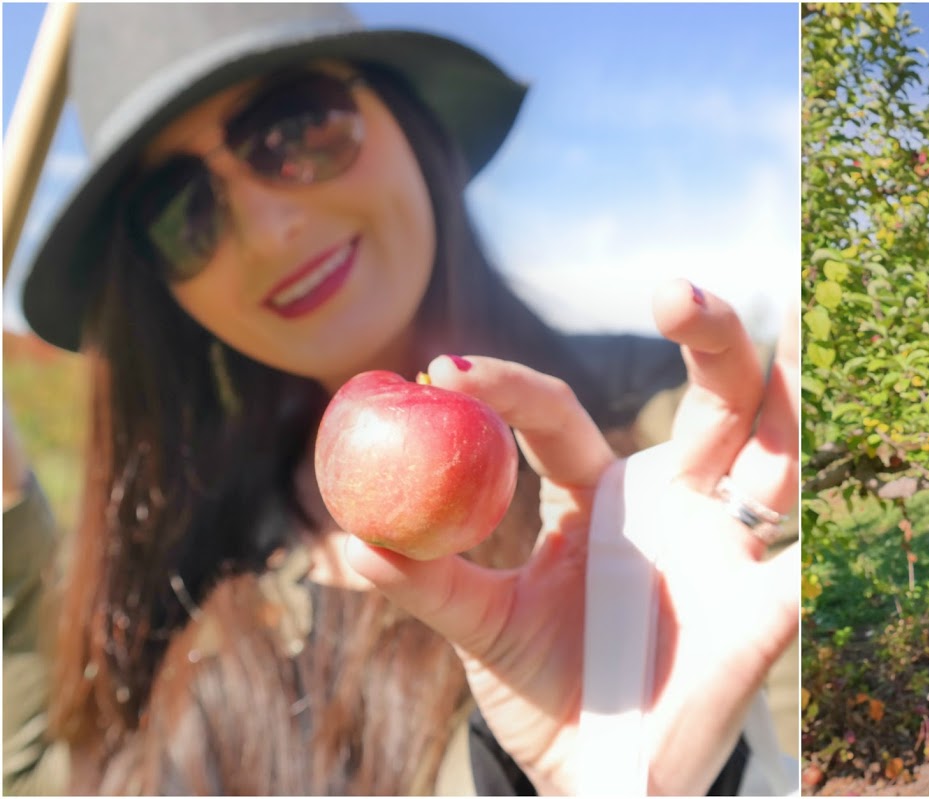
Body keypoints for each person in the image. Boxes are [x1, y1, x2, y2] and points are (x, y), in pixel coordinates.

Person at [2, 4, 799, 795]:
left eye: (297, 127)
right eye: (180, 211)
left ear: (408, 120)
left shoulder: (704, 453)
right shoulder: (169, 550)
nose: (271, 226)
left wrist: (657, 778)